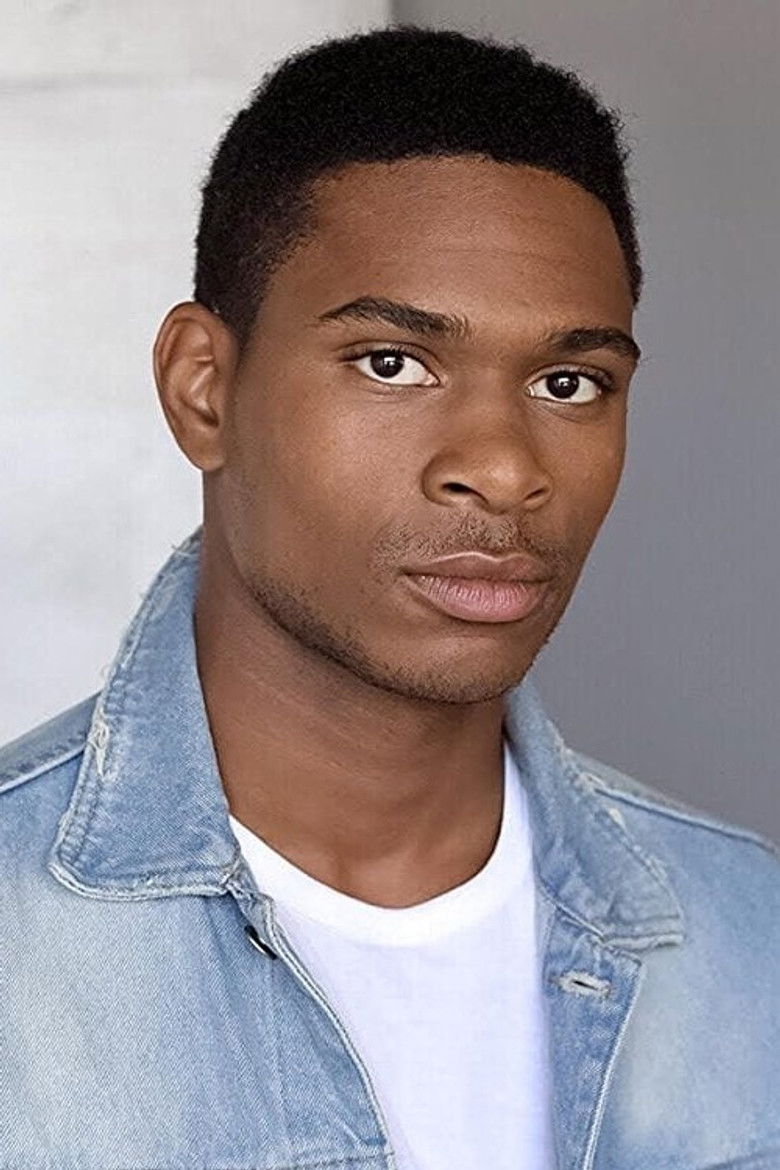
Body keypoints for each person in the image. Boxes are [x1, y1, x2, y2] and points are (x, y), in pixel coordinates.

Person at [1, 24, 777, 1170]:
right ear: (203, 390)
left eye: (570, 382)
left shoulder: (748, 932)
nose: (503, 469)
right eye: (393, 363)